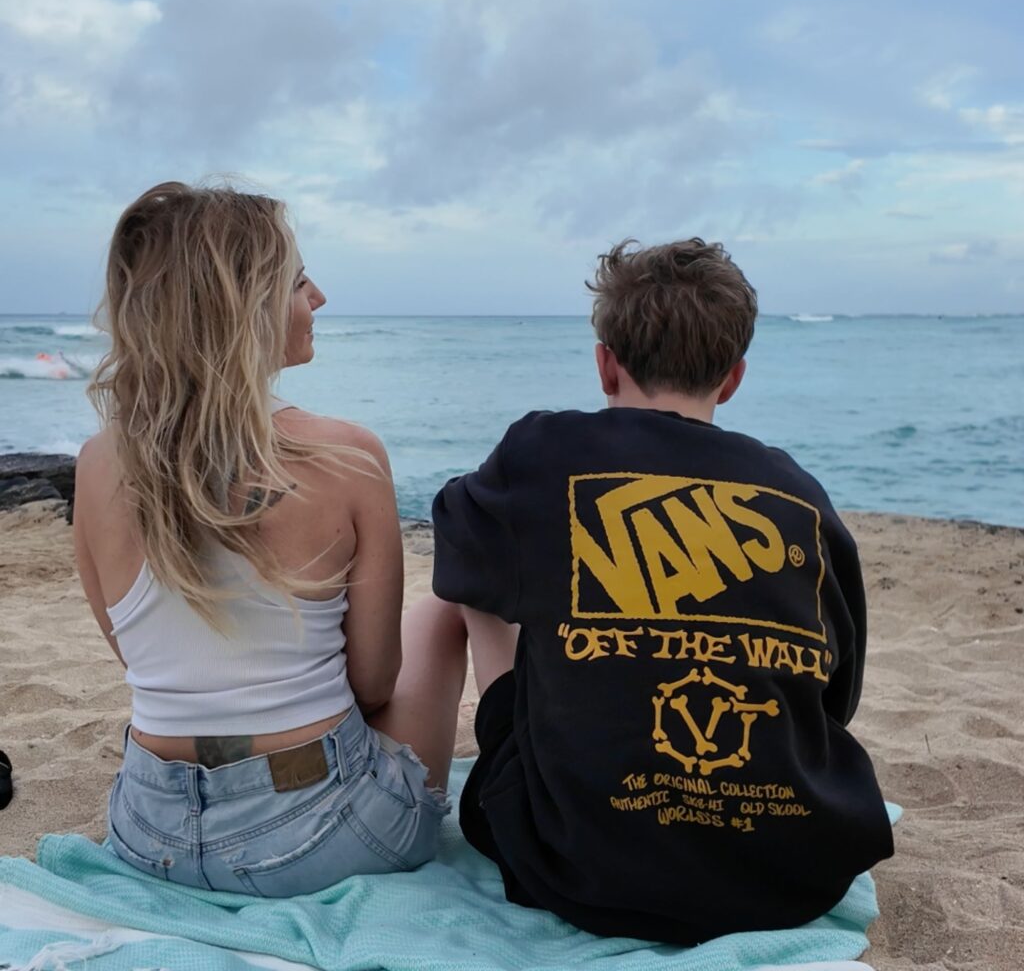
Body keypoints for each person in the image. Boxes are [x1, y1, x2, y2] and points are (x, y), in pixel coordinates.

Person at [430, 238, 894, 944]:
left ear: (605, 363)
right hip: (789, 870)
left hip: (576, 864)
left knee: (477, 586)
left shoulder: (545, 451)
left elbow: (457, 536)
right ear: (733, 378)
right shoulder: (797, 493)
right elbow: (837, 693)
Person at [74, 182, 460, 897]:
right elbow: (374, 683)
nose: (319, 297)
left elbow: (136, 655)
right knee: (444, 614)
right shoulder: (344, 456)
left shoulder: (99, 463)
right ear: (244, 307)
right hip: (316, 836)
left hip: (148, 828)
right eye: (298, 280)